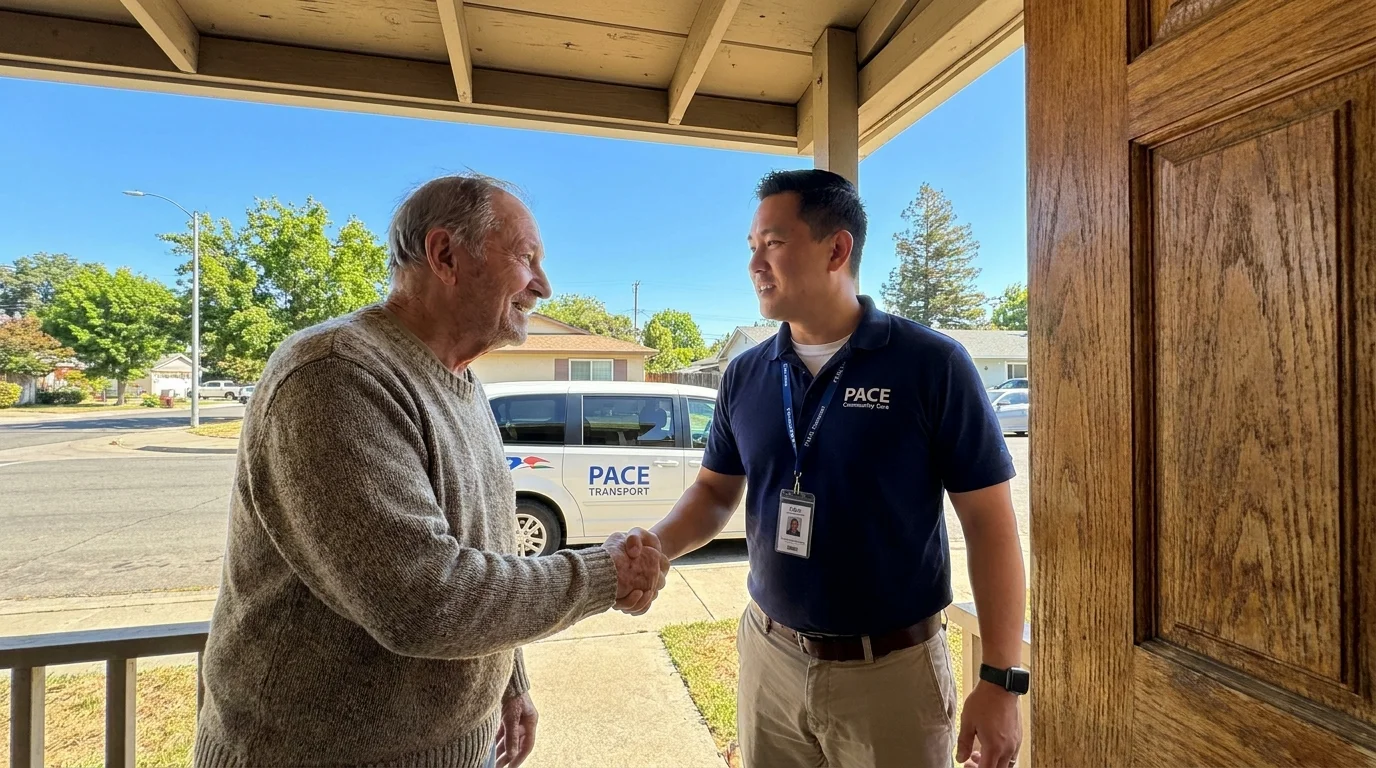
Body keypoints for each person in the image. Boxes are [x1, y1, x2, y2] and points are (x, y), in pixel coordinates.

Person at [194, 174, 669, 768]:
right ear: (445, 255)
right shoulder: (336, 374)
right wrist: (606, 575)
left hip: (449, 748)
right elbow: (423, 598)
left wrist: (509, 680)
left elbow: (488, 545)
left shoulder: (462, 381)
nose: (543, 286)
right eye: (526, 259)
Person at [649, 169, 1028, 768]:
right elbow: (715, 491)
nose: (755, 264)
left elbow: (991, 526)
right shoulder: (745, 374)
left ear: (837, 248)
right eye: (751, 247)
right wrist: (655, 546)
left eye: (772, 243)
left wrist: (1001, 679)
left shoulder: (931, 366)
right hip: (769, 659)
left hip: (892, 674)